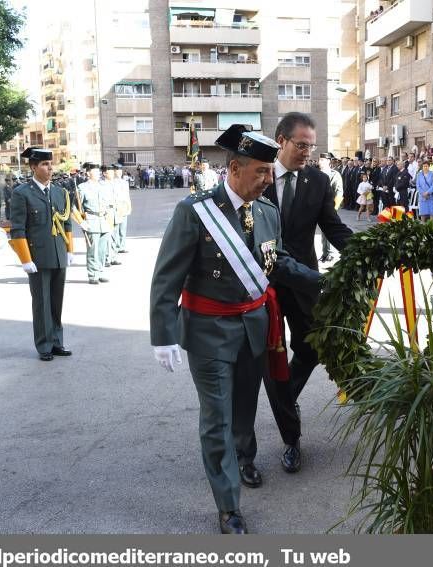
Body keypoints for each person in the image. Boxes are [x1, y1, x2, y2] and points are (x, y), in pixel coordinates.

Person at [149, 124, 321, 534]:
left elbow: (275, 261)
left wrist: (322, 280)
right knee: (217, 418)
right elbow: (166, 278)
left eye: (269, 172)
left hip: (254, 326)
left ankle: (245, 457)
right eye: (261, 172)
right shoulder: (195, 211)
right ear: (235, 168)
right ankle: (228, 506)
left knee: (245, 404)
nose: (267, 180)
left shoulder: (266, 212)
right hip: (209, 332)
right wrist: (163, 333)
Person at [262, 112, 353, 474]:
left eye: (311, 146)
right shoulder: (259, 173)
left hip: (303, 281)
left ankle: (286, 401)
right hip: (261, 284)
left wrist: (369, 251)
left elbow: (333, 228)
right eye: (301, 145)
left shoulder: (318, 181)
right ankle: (291, 437)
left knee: (310, 347)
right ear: (280, 140)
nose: (306, 153)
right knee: (265, 357)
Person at [8, 147, 74, 360]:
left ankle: (57, 342)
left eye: (50, 164)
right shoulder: (21, 193)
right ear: (34, 167)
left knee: (56, 301)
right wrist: (25, 259)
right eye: (45, 165)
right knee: (42, 303)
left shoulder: (59, 191)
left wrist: (69, 250)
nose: (50, 168)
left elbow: (67, 223)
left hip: (58, 255)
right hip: (37, 257)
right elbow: (17, 228)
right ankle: (44, 345)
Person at [77, 163, 112, 284]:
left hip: (104, 220)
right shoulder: (82, 188)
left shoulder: (103, 186)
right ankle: (92, 275)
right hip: (91, 220)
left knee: (102, 250)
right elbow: (76, 207)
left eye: (98, 172)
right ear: (88, 173)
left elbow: (108, 203)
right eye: (95, 172)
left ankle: (100, 272)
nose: (98, 174)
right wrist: (82, 222)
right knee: (93, 250)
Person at [318, 152, 344, 262]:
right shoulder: (316, 174)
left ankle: (328, 253)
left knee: (327, 231)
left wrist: (333, 208)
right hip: (316, 206)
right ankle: (325, 253)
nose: (319, 162)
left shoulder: (334, 175)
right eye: (319, 160)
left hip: (329, 207)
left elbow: (339, 193)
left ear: (328, 161)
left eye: (322, 160)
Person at [112, 164, 132, 255]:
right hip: (116, 207)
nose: (119, 173)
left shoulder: (124, 182)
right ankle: (115, 246)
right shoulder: (111, 182)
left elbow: (127, 195)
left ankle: (122, 246)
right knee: (116, 228)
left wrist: (129, 206)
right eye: (117, 171)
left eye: (120, 171)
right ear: (114, 172)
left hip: (123, 206)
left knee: (123, 228)